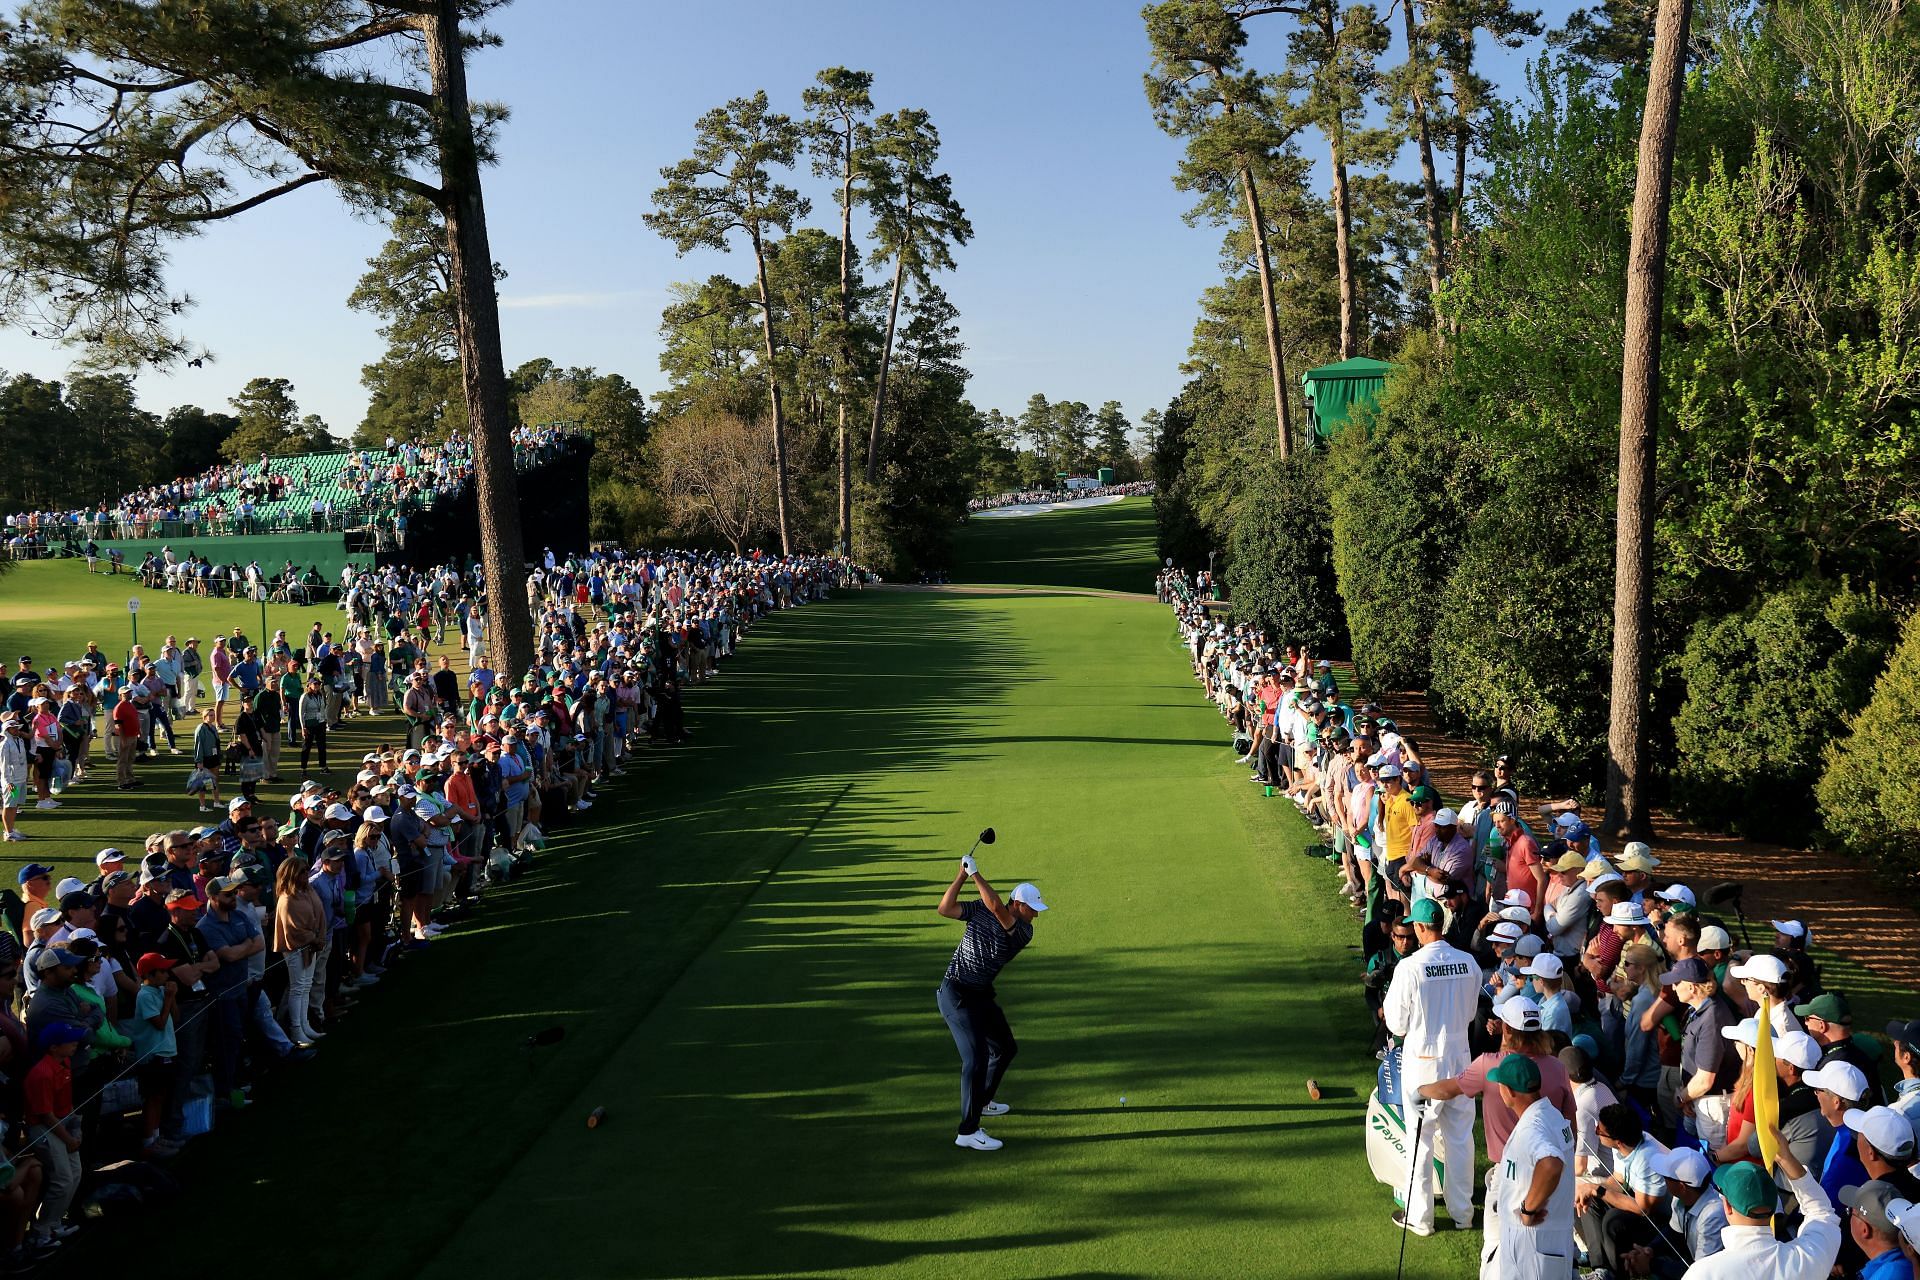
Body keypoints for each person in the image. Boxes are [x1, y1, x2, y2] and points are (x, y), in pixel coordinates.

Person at [935, 848, 1047, 1152]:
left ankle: (982, 1102)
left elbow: (997, 907)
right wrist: (961, 876)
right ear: (1019, 903)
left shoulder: (1022, 931)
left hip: (980, 993)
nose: (1036, 914)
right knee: (976, 1058)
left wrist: (974, 873)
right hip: (956, 993)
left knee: (1005, 1048)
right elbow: (945, 909)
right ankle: (967, 1131)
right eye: (1032, 907)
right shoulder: (982, 909)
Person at [1385, 897, 1481, 1236]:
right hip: (1459, 1060)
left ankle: (1421, 1217)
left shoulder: (1409, 968)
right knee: (1459, 1138)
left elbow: (1397, 1024)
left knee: (1420, 1142)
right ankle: (1463, 1213)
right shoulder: (1468, 962)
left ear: (1421, 927)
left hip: (1423, 1065)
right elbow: (1470, 1014)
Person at [1683, 1127, 1839, 1279]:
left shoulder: (1704, 1273)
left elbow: (1822, 1213)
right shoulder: (1806, 1259)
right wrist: (1787, 1159)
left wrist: (1785, 1159)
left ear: (1728, 1206)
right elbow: (1822, 1212)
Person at [1488, 1053, 1575, 1280]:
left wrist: (1527, 1209)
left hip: (1531, 1244)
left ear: (1509, 1091)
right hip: (1546, 1240)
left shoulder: (1531, 1128)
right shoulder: (1551, 1114)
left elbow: (1551, 1164)